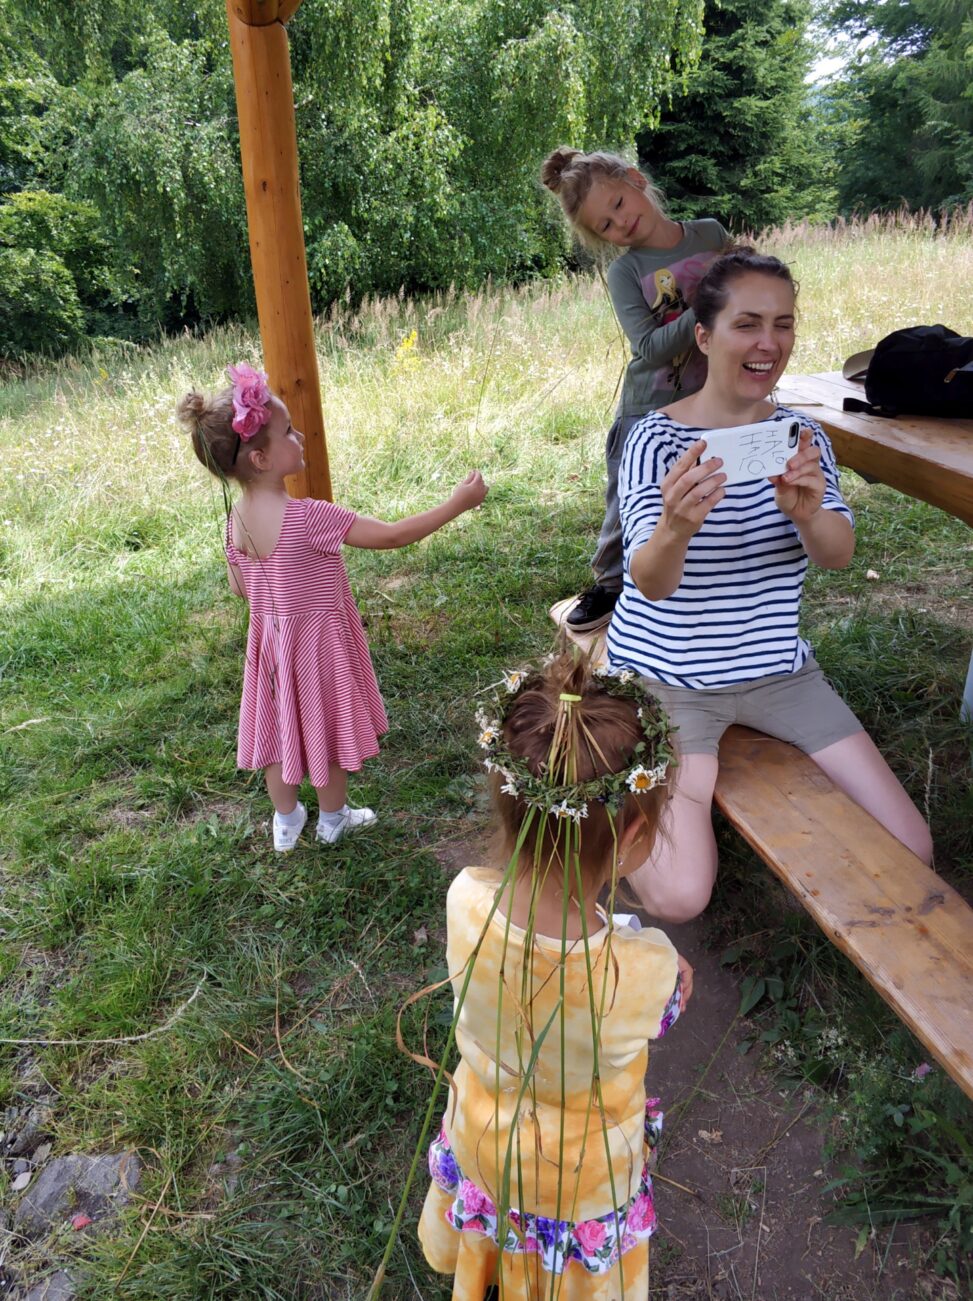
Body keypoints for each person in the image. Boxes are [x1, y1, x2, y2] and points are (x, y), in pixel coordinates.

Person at [606, 248, 934, 924]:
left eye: (782, 324)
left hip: (778, 671)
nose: (768, 343)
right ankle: (598, 801)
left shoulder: (800, 435)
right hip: (670, 678)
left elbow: (837, 555)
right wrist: (674, 527)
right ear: (704, 337)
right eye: (748, 324)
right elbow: (650, 581)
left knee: (913, 846)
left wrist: (809, 513)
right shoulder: (656, 441)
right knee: (679, 895)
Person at [418, 652, 692, 1299]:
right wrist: (666, 970)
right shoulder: (642, 970)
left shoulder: (466, 901)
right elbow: (664, 1007)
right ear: (632, 833)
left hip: (484, 1136)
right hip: (580, 1180)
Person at [177, 363, 487, 851]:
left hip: (272, 649)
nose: (299, 436)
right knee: (327, 730)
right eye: (288, 431)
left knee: (279, 734)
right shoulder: (308, 517)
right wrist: (458, 503)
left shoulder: (235, 520)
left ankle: (286, 822)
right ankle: (333, 818)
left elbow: (240, 588)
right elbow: (393, 536)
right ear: (260, 458)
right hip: (318, 650)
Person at [540, 147, 728, 633]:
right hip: (649, 407)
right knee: (627, 498)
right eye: (605, 225)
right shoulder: (625, 272)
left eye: (619, 204)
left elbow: (745, 294)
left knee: (708, 491)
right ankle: (610, 583)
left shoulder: (710, 235)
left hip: (715, 401)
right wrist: (709, 304)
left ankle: (699, 586)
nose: (620, 223)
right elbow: (649, 346)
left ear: (637, 180)